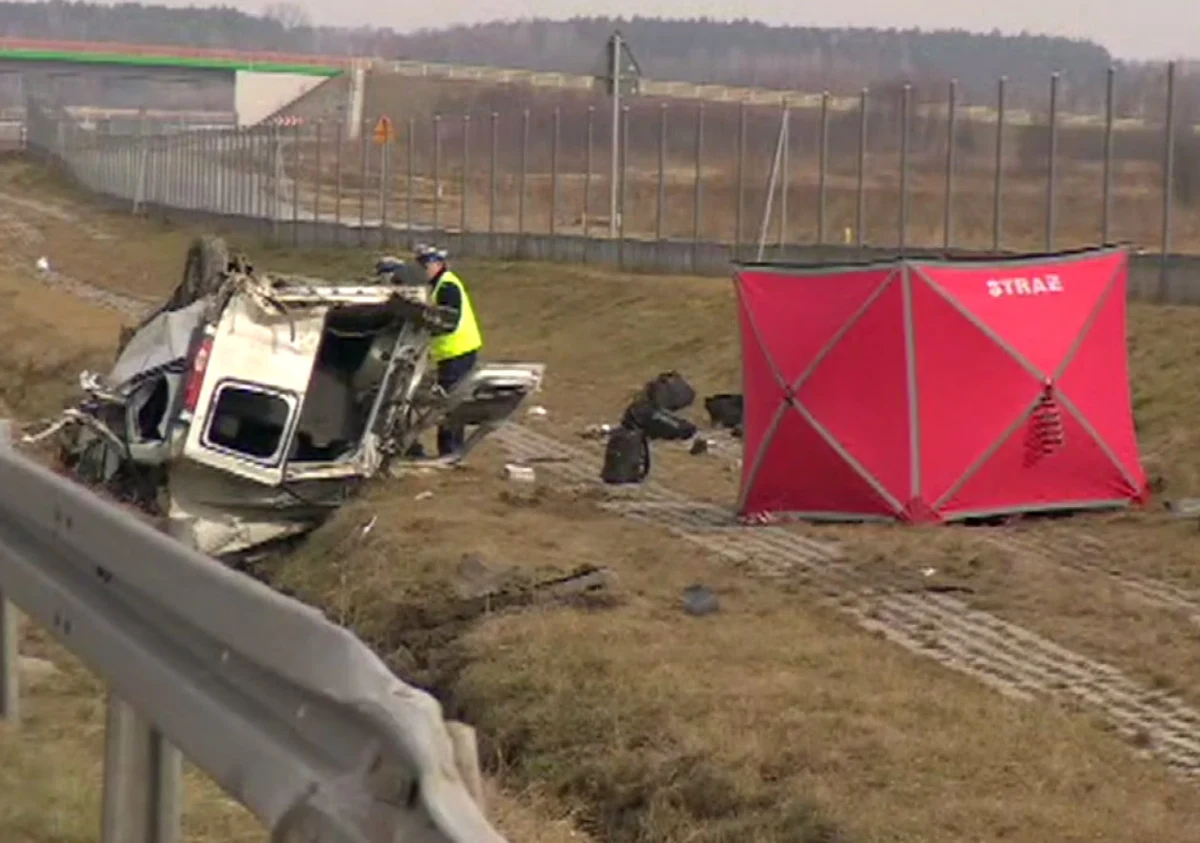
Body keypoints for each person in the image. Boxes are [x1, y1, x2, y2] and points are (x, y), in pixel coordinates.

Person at [414, 244, 483, 457]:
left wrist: (425, 327)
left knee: (450, 403)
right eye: (421, 265)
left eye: (426, 264)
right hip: (453, 352)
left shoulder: (447, 286)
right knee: (448, 401)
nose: (423, 269)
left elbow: (447, 321)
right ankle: (450, 449)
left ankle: (450, 450)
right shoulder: (440, 285)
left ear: (438, 264)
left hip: (457, 352)